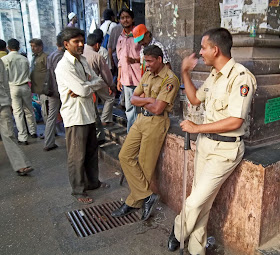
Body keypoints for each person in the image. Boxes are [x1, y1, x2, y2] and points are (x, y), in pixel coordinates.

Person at [167, 28, 257, 255]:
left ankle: (178, 231)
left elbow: (235, 120)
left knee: (195, 200)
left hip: (225, 150)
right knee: (203, 203)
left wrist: (197, 128)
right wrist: (184, 73)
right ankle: (197, 250)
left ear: (215, 50)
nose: (200, 52)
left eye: (203, 48)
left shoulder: (240, 77)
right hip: (206, 145)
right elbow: (196, 99)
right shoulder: (215, 75)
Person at [111, 45, 180, 221]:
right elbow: (133, 98)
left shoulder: (170, 79)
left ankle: (133, 202)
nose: (146, 64)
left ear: (159, 59)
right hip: (141, 120)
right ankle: (147, 195)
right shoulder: (148, 74)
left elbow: (158, 108)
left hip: (156, 123)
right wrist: (148, 99)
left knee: (145, 165)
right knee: (125, 155)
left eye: (149, 61)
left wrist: (145, 101)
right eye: (145, 61)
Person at [55, 27, 107, 204]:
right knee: (77, 156)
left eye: (81, 40)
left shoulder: (83, 60)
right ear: (66, 44)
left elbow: (97, 81)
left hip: (89, 114)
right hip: (75, 116)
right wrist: (87, 86)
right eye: (75, 41)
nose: (80, 44)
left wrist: (87, 85)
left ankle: (93, 182)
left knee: (92, 151)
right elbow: (82, 89)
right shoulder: (64, 66)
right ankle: (78, 190)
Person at [0, 58, 33, 176]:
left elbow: (5, 83)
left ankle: (21, 164)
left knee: (9, 134)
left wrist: (8, 101)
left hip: (2, 103)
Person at [2, 39, 37, 145]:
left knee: (18, 113)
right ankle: (33, 131)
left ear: (8, 47)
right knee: (29, 110)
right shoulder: (24, 59)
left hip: (13, 87)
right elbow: (28, 72)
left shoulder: (5, 59)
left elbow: (5, 76)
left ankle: (23, 136)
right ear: (18, 47)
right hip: (25, 86)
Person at [116, 8, 141, 132]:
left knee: (141, 107)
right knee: (129, 108)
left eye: (127, 17)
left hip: (139, 77)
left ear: (132, 19)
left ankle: (140, 133)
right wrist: (119, 78)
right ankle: (131, 133)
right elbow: (120, 61)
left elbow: (147, 56)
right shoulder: (120, 38)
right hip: (126, 78)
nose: (125, 20)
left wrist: (135, 60)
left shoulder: (138, 34)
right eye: (122, 18)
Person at [83, 33, 115, 126]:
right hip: (96, 82)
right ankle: (105, 119)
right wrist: (112, 86)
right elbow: (106, 74)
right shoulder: (97, 56)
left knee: (92, 105)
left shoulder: (81, 52)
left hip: (84, 84)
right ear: (97, 44)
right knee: (110, 98)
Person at [43, 33, 64, 151]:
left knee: (51, 116)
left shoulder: (51, 56)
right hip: (60, 90)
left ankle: (48, 142)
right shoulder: (61, 56)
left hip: (51, 90)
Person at [29, 38, 48, 123]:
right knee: (43, 109)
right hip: (38, 88)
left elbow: (49, 71)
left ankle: (50, 132)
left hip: (44, 88)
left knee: (46, 110)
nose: (33, 48)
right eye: (31, 46)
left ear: (40, 47)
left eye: (35, 46)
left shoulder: (44, 57)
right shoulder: (34, 57)